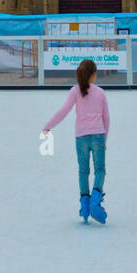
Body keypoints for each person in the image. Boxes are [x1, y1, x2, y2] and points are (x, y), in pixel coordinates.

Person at [41, 59, 110, 225]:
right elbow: (106, 118)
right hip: (98, 135)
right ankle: (95, 200)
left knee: (83, 171)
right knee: (99, 170)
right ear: (93, 75)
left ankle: (85, 206)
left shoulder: (74, 91)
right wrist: (104, 138)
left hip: (81, 137)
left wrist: (48, 126)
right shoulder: (100, 92)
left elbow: (63, 111)